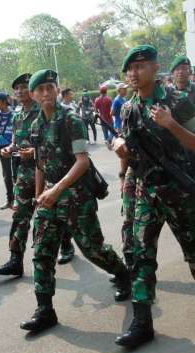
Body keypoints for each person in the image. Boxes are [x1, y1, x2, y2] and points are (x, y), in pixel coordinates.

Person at [112, 45, 195, 349]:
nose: (133, 73)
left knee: (192, 245)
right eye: (129, 68)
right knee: (141, 254)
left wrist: (171, 124)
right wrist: (120, 153)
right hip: (145, 189)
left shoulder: (178, 102)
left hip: (178, 190)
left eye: (140, 66)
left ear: (156, 68)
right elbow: (128, 144)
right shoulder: (127, 107)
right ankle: (142, 322)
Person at [19, 70, 131, 334]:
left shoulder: (71, 120)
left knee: (93, 249)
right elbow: (40, 164)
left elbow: (82, 162)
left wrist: (55, 191)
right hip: (50, 197)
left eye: (50, 87)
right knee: (42, 253)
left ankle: (123, 273)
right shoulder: (37, 125)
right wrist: (38, 197)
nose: (46, 93)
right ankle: (45, 310)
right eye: (40, 89)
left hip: (76, 197)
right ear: (34, 95)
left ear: (57, 90)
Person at [0, 73, 76, 277]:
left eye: (23, 87)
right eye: (16, 88)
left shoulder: (43, 111)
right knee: (19, 214)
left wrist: (34, 152)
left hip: (46, 172)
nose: (19, 91)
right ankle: (15, 259)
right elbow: (15, 139)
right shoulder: (18, 115)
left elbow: (52, 144)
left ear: (31, 89)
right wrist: (9, 148)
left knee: (52, 213)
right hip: (24, 171)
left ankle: (66, 245)